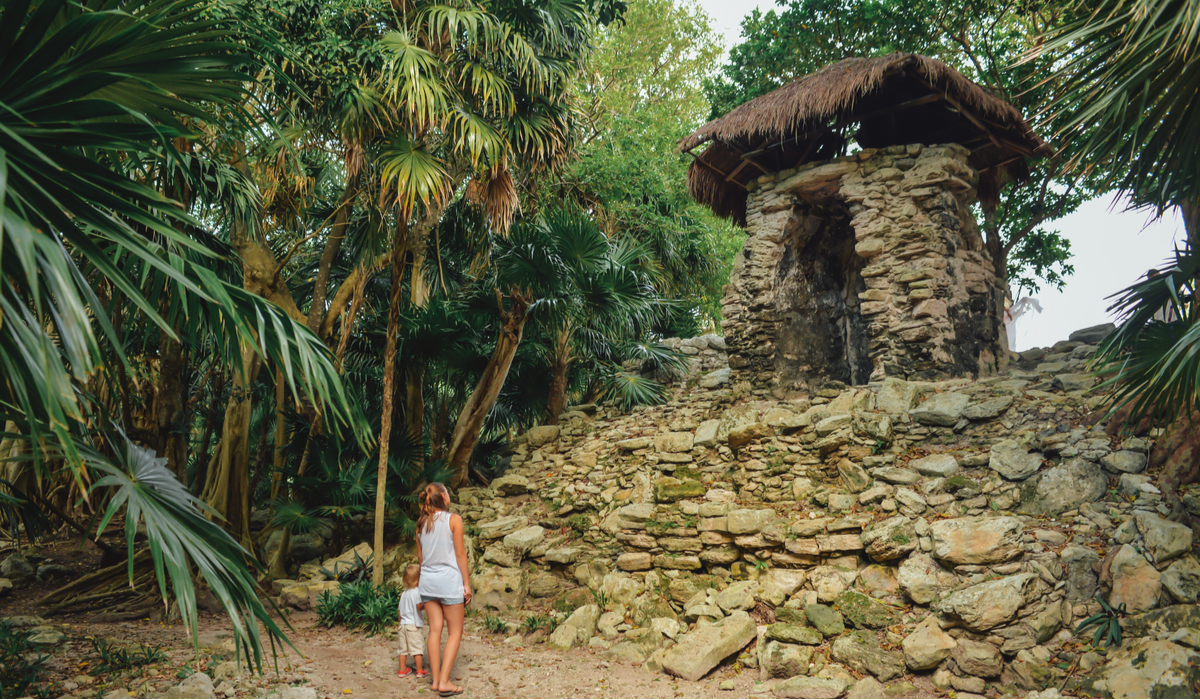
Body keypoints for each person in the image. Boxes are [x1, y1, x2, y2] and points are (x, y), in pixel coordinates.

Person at [416, 483, 473, 697]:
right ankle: (445, 682)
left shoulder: (420, 524)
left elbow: (421, 559)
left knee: (434, 630)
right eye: (447, 492)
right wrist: (466, 585)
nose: (449, 495)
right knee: (455, 631)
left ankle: (435, 680)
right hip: (449, 581)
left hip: (428, 581)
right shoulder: (454, 520)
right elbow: (460, 555)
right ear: (443, 497)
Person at [396, 564, 428, 679]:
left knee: (402, 650)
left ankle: (402, 670)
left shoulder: (404, 594)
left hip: (403, 626)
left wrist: (400, 623)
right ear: (419, 579)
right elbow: (419, 606)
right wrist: (426, 604)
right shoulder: (418, 592)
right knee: (417, 649)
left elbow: (399, 610)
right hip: (413, 625)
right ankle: (420, 670)